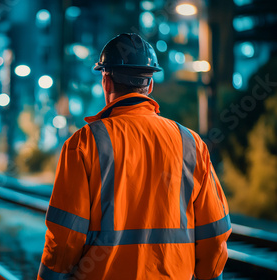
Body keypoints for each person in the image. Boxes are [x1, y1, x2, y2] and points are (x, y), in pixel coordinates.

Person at [37, 33, 231, 280]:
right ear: (149, 86)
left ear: (106, 81)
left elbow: (66, 237)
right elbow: (214, 232)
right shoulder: (191, 143)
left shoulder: (84, 143)